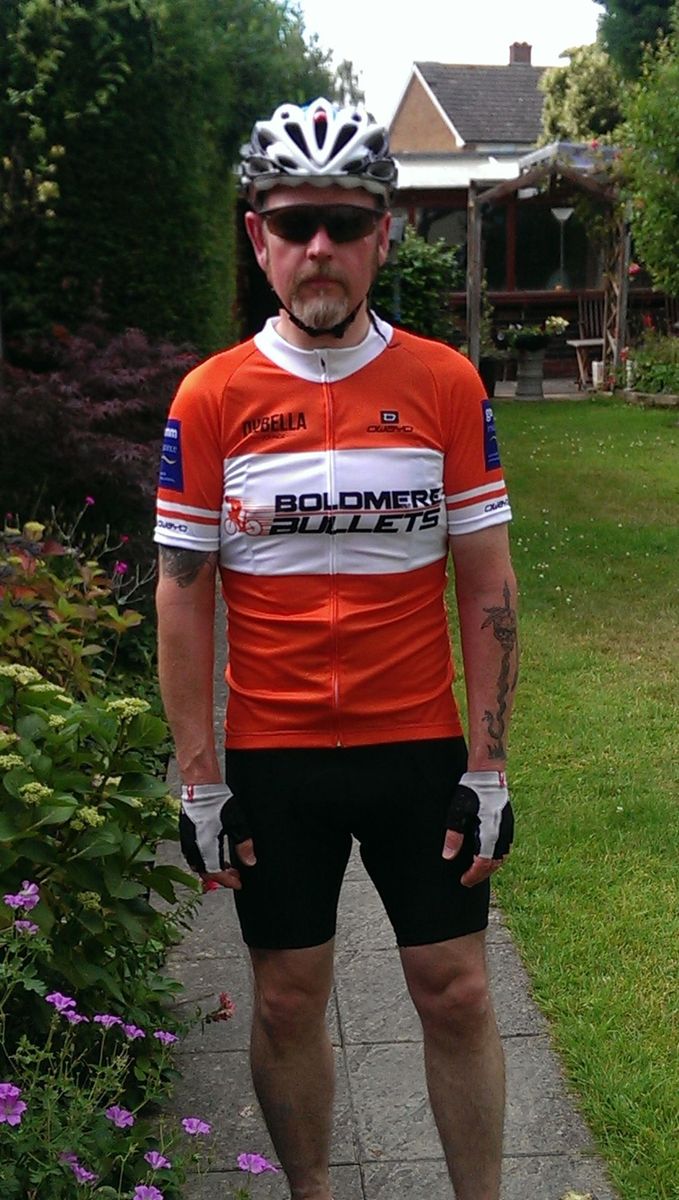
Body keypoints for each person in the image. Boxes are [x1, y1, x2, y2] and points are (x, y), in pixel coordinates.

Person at [155, 97, 518, 1200]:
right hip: (276, 756)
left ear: (382, 237)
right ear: (256, 235)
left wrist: (489, 768)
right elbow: (183, 596)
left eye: (346, 222)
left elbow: (487, 583)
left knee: (456, 988)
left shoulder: (444, 383)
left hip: (416, 744)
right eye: (294, 221)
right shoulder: (210, 397)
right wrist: (199, 778)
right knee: (284, 998)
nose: (320, 246)